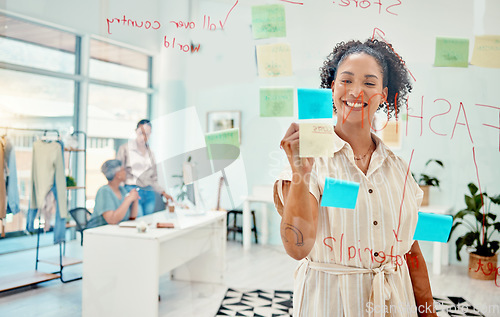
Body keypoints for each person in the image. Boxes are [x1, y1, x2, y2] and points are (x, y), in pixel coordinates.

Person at [275, 39, 437, 316]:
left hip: (396, 303)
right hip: (329, 303)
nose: (356, 91)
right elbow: (297, 248)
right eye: (346, 80)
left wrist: (427, 310)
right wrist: (301, 173)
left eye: (370, 83)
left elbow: (411, 249)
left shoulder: (398, 168)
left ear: (384, 94)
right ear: (333, 88)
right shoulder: (308, 162)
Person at [117, 119, 173, 216]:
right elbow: (119, 172)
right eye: (141, 133)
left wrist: (163, 192)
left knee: (147, 222)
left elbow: (154, 179)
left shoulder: (151, 154)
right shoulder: (125, 149)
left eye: (147, 134)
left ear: (150, 134)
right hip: (132, 190)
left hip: (149, 191)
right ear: (136, 131)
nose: (143, 137)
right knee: (137, 221)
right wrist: (120, 193)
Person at [87, 159, 138, 229]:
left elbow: (132, 217)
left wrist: (135, 199)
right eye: (123, 170)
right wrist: (128, 200)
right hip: (99, 233)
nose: (126, 172)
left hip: (116, 232)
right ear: (118, 174)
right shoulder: (104, 191)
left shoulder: (122, 190)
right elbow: (112, 220)